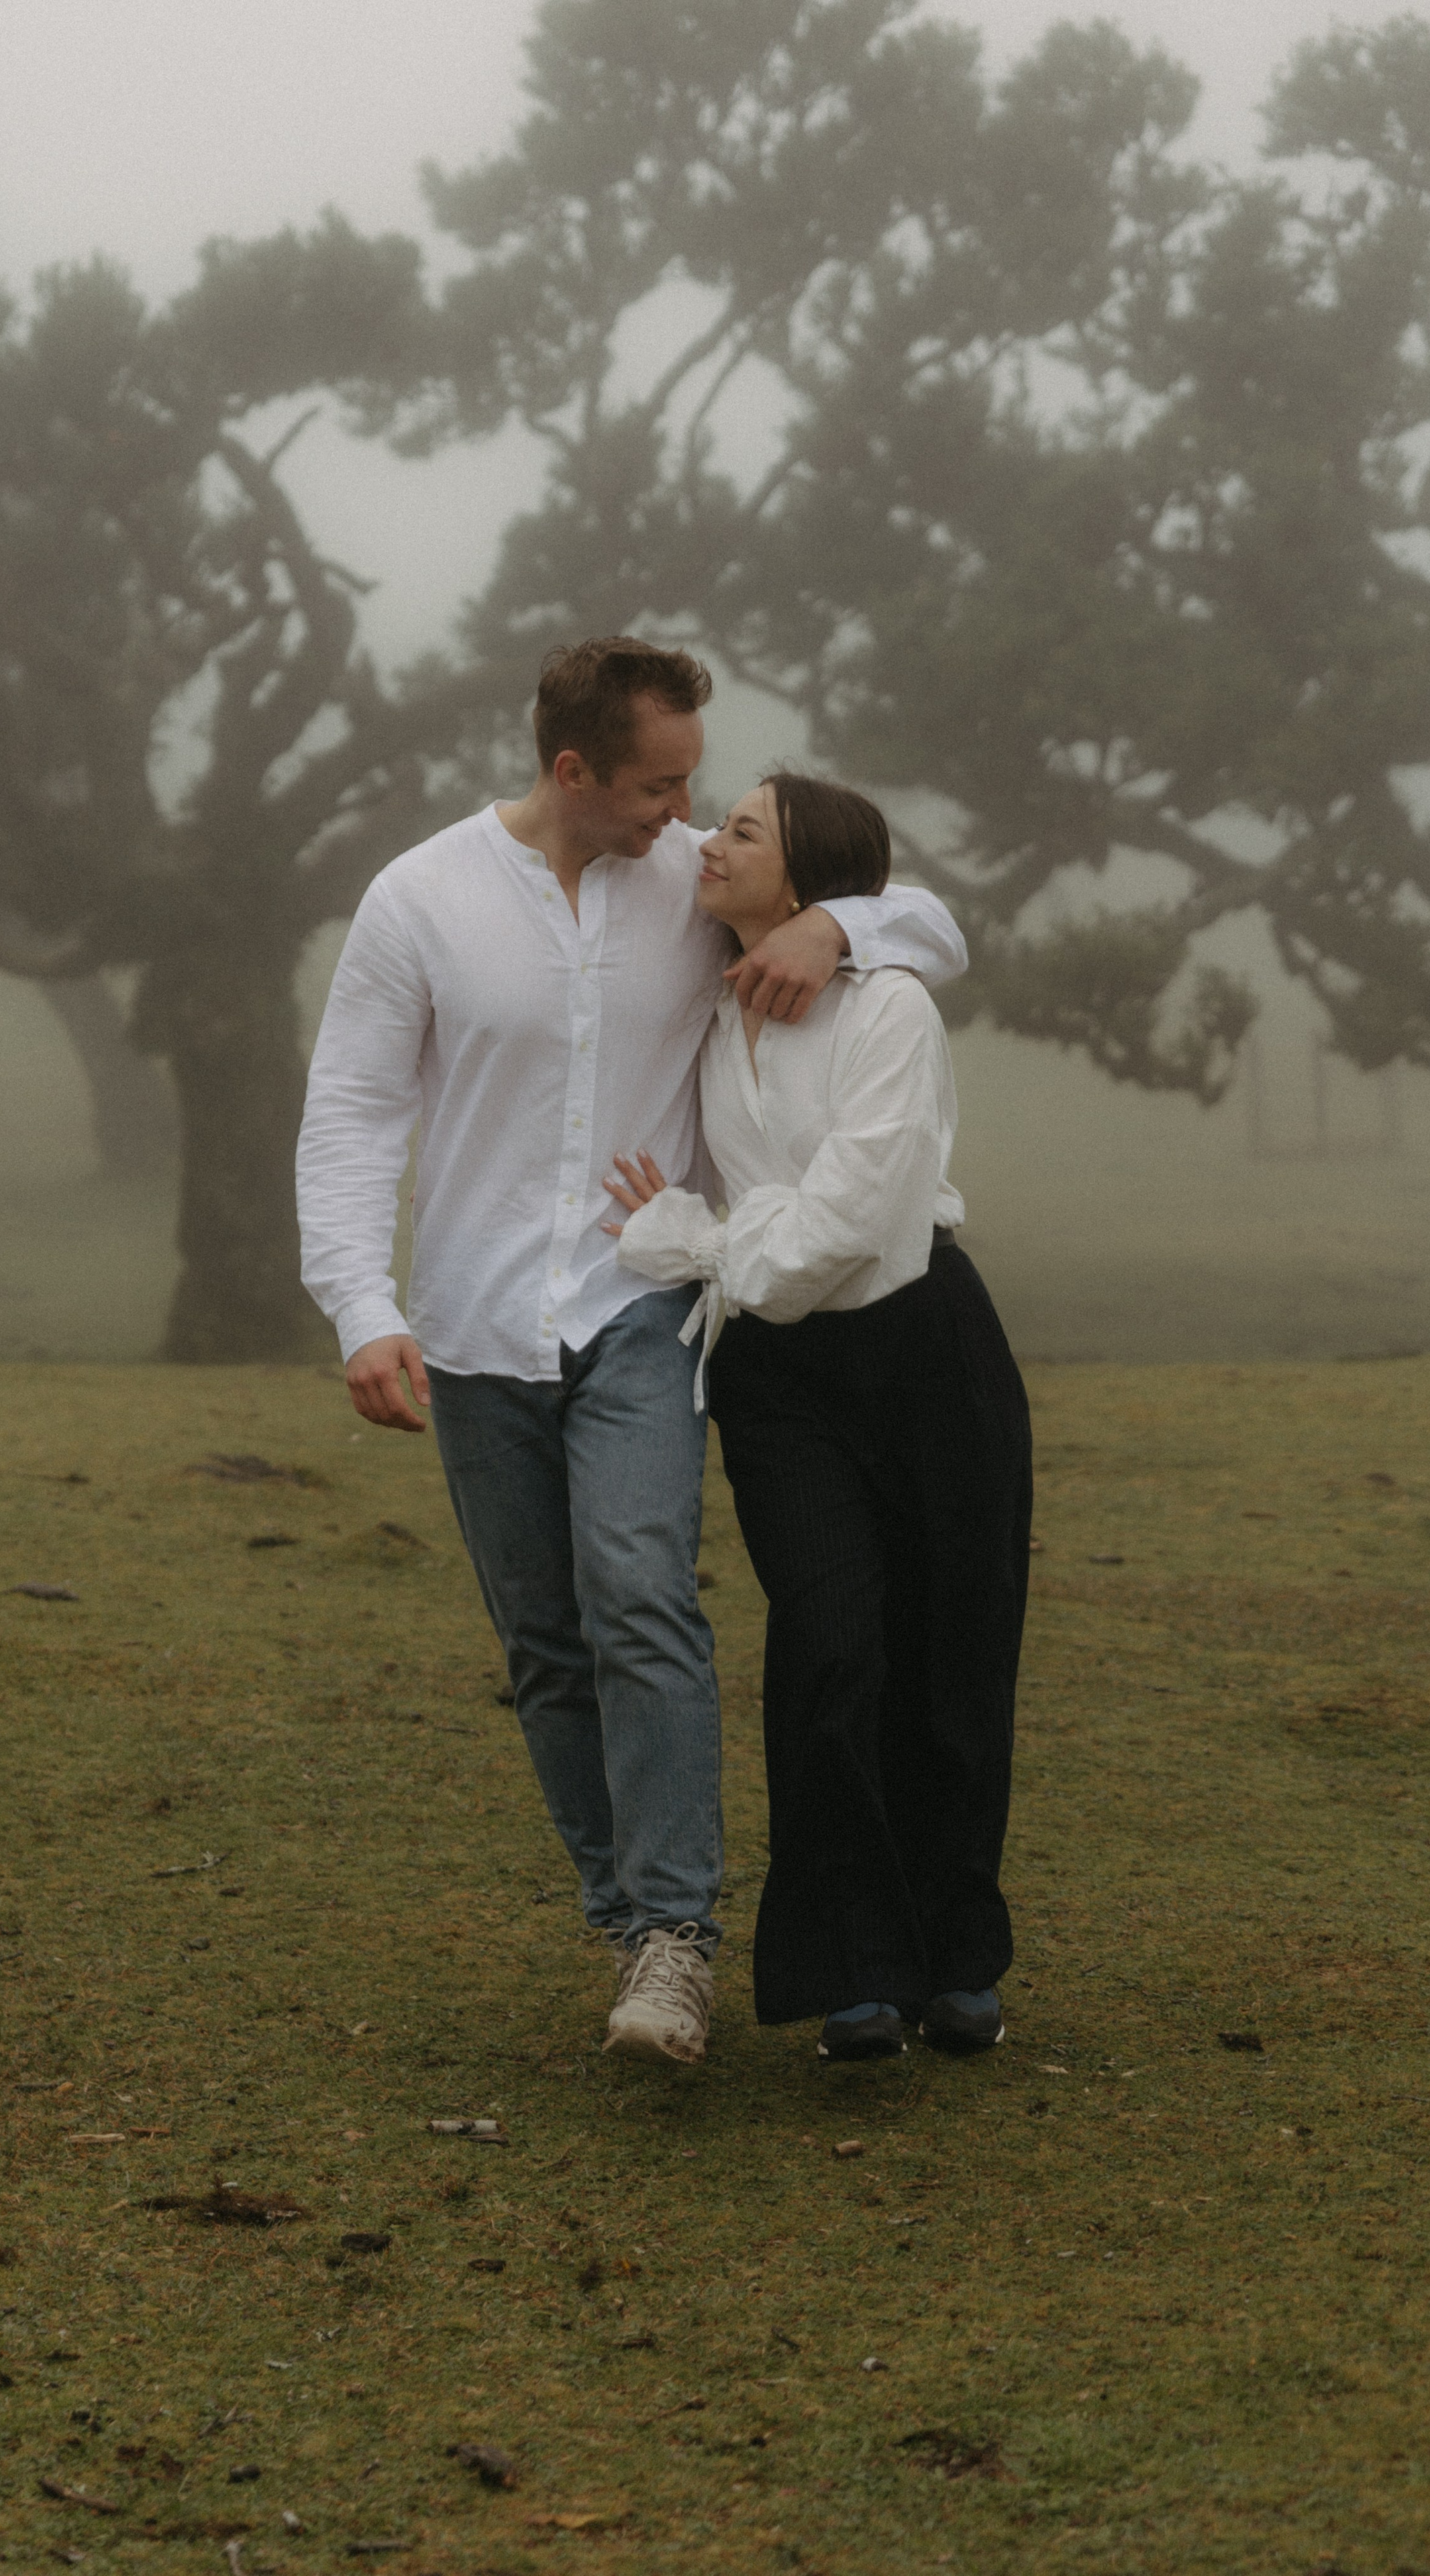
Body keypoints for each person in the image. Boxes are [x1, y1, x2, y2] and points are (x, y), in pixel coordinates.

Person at [296, 639, 970, 2068]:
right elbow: (354, 1108)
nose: (685, 807)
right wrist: (363, 1305)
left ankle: (675, 1941)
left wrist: (839, 932)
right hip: (475, 1327)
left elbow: (926, 919)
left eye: (691, 783)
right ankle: (624, 1921)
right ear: (571, 770)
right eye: (660, 781)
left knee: (639, 1592)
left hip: (640, 1307)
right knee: (545, 1647)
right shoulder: (418, 899)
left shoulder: (692, 886)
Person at [603, 773, 1031, 2063]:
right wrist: (725, 1247)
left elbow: (848, 1221)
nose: (707, 841)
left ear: (809, 881)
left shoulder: (888, 1007)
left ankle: (956, 1955)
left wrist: (701, 1241)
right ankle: (853, 1966)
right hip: (780, 1387)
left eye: (740, 829)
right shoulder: (707, 1005)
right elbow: (778, 1240)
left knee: (954, 1655)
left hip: (926, 1352)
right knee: (832, 1645)